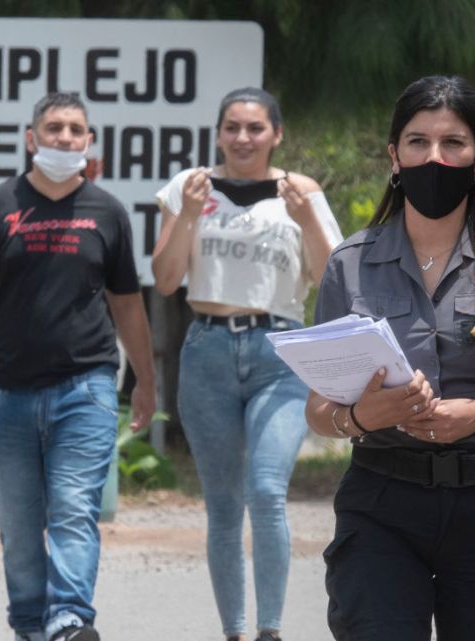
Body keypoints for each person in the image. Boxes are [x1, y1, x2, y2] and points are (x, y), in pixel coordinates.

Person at [303, 75, 475, 641]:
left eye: (453, 143)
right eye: (417, 142)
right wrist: (361, 417)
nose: (435, 156)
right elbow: (318, 409)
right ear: (394, 156)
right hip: (381, 499)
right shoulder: (349, 264)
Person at [0, 92, 156, 641]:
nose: (65, 138)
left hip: (88, 387)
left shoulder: (108, 212)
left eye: (76, 129)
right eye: (54, 128)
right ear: (32, 138)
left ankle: (71, 618)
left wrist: (145, 378)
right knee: (21, 528)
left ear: (89, 142)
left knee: (74, 508)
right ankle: (31, 625)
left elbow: (127, 303)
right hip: (8, 394)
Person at [151, 87, 343, 641]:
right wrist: (187, 214)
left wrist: (306, 218)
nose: (242, 138)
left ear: (276, 134)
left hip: (279, 349)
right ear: (218, 133)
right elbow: (165, 278)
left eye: (255, 128)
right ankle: (234, 631)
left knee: (265, 488)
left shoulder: (300, 191)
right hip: (207, 348)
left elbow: (334, 278)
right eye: (232, 127)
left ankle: (270, 631)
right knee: (223, 504)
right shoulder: (189, 187)